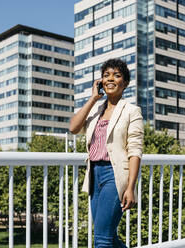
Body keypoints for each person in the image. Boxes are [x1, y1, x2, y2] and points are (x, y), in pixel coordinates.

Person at [69, 58, 144, 247]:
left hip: (115, 175)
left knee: (101, 238)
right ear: (100, 81)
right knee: (109, 236)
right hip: (94, 176)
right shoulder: (96, 110)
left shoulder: (131, 111)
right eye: (106, 75)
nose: (110, 79)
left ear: (125, 83)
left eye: (116, 75)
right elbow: (74, 127)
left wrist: (130, 187)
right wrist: (94, 97)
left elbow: (135, 150)